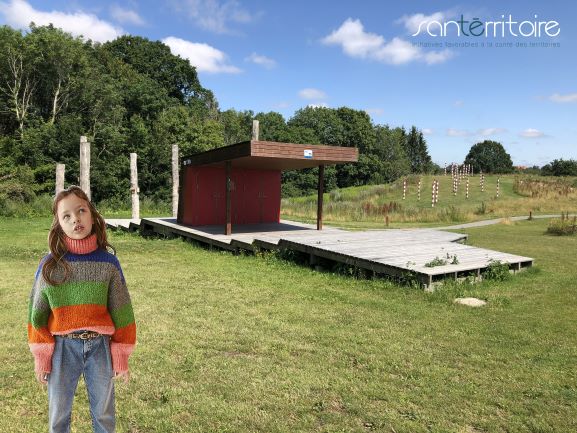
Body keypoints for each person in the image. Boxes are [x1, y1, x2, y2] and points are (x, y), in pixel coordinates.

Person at [28, 185, 136, 433]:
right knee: (58, 415)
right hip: (62, 349)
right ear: (59, 224)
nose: (75, 219)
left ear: (92, 215)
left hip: (100, 347)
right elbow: (36, 315)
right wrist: (42, 356)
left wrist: (121, 355)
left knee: (104, 416)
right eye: (66, 215)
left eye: (81, 211)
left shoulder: (108, 263)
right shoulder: (49, 266)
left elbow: (123, 311)